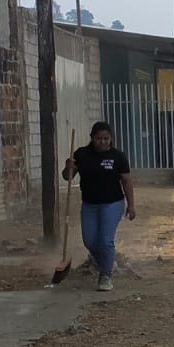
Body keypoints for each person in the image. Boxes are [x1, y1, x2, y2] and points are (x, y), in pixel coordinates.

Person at [62, 121, 135, 291]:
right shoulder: (81, 154)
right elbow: (68, 177)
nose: (102, 142)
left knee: (105, 240)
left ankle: (105, 276)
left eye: (106, 138)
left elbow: (126, 181)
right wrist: (68, 167)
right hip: (89, 205)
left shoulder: (118, 156)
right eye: (98, 138)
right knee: (89, 241)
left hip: (112, 204)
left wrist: (131, 205)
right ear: (92, 138)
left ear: (111, 139)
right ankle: (107, 262)